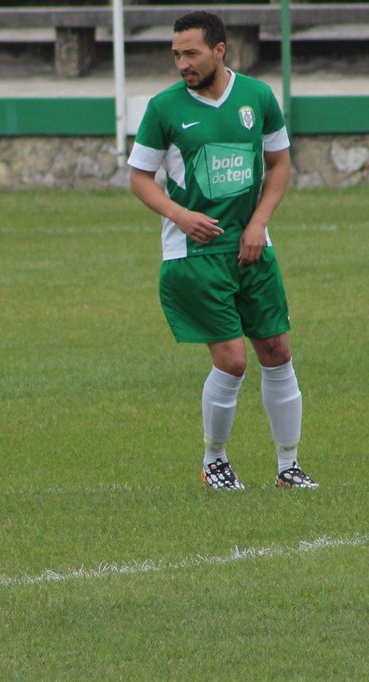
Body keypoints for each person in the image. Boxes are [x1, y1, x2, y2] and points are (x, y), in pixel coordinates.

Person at [128, 11, 317, 491]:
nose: (182, 64)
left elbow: (279, 164)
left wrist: (258, 223)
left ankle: (289, 466)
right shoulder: (164, 108)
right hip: (195, 256)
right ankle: (214, 460)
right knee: (232, 360)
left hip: (252, 247)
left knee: (277, 351)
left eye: (191, 53)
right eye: (176, 54)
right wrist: (179, 215)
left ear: (219, 50)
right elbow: (140, 177)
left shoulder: (258, 97)